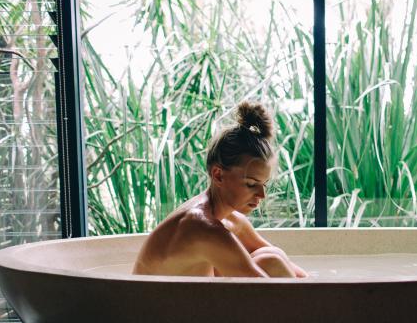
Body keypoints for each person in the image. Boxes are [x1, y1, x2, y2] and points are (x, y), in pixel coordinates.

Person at [132, 101, 308, 278]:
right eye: (251, 184)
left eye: (264, 184)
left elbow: (301, 280)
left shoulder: (232, 220)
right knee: (270, 263)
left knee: (270, 257)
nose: (262, 195)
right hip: (154, 305)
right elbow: (273, 289)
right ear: (218, 175)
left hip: (187, 302)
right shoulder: (201, 227)